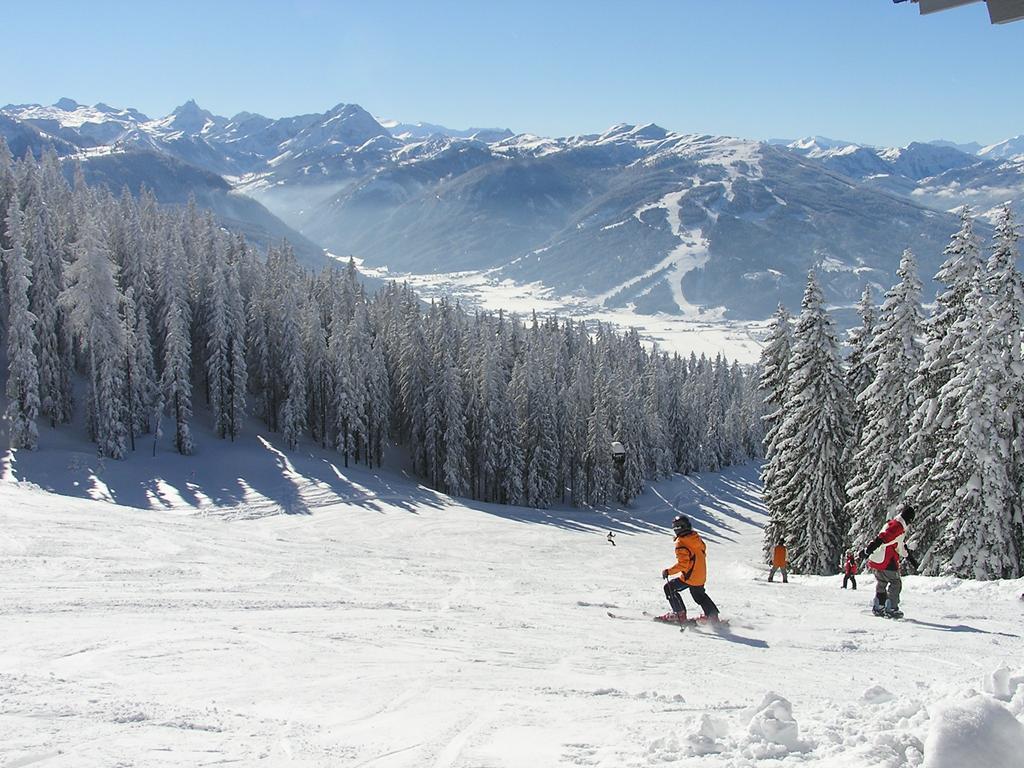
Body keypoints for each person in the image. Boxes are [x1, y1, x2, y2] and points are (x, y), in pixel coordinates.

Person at [859, 504, 919, 618]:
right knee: (896, 583)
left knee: (882, 582)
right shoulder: (897, 526)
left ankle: (879, 605)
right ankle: (891, 607)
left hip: (877, 559)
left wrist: (911, 559)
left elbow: (899, 545)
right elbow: (882, 538)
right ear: (909, 519)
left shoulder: (894, 524)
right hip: (886, 559)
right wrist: (867, 550)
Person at [660, 514, 720, 622]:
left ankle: (679, 614)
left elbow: (683, 564)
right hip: (701, 574)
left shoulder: (681, 543)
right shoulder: (696, 537)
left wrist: (668, 571)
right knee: (699, 595)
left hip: (691, 576)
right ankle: (712, 616)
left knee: (669, 588)